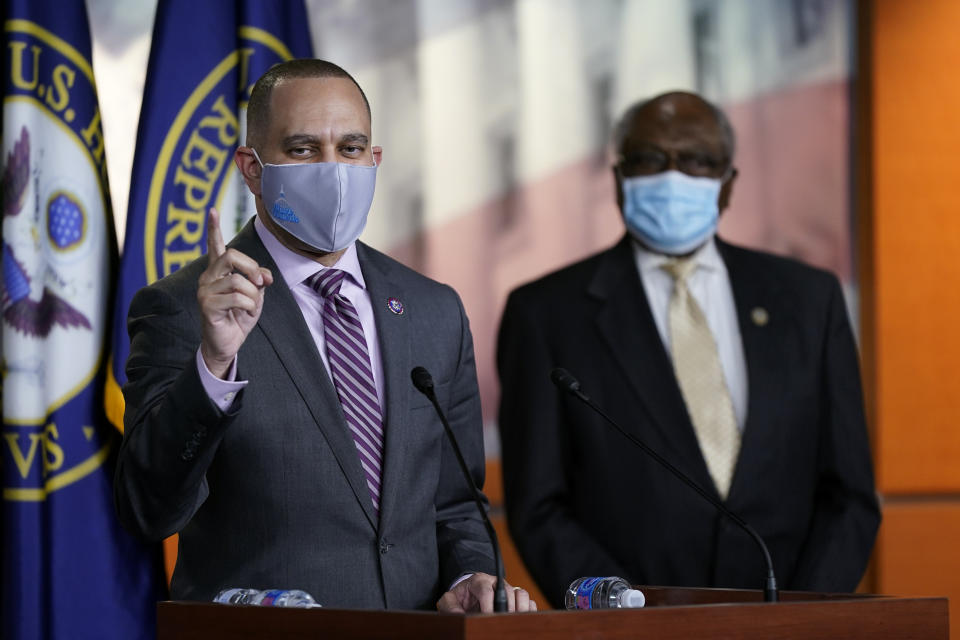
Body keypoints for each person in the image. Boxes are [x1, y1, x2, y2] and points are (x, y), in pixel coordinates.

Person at [115, 59, 535, 613]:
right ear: (252, 168)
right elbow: (149, 510)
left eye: (352, 149)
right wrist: (214, 363)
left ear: (375, 160)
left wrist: (471, 575)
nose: (333, 169)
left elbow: (457, 505)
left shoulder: (435, 310)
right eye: (304, 149)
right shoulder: (181, 307)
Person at [497, 91, 880, 608]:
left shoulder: (809, 301)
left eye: (698, 160)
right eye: (650, 159)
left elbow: (850, 494)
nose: (673, 177)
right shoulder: (545, 313)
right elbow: (539, 506)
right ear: (618, 179)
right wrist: (626, 615)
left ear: (727, 186)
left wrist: (801, 618)